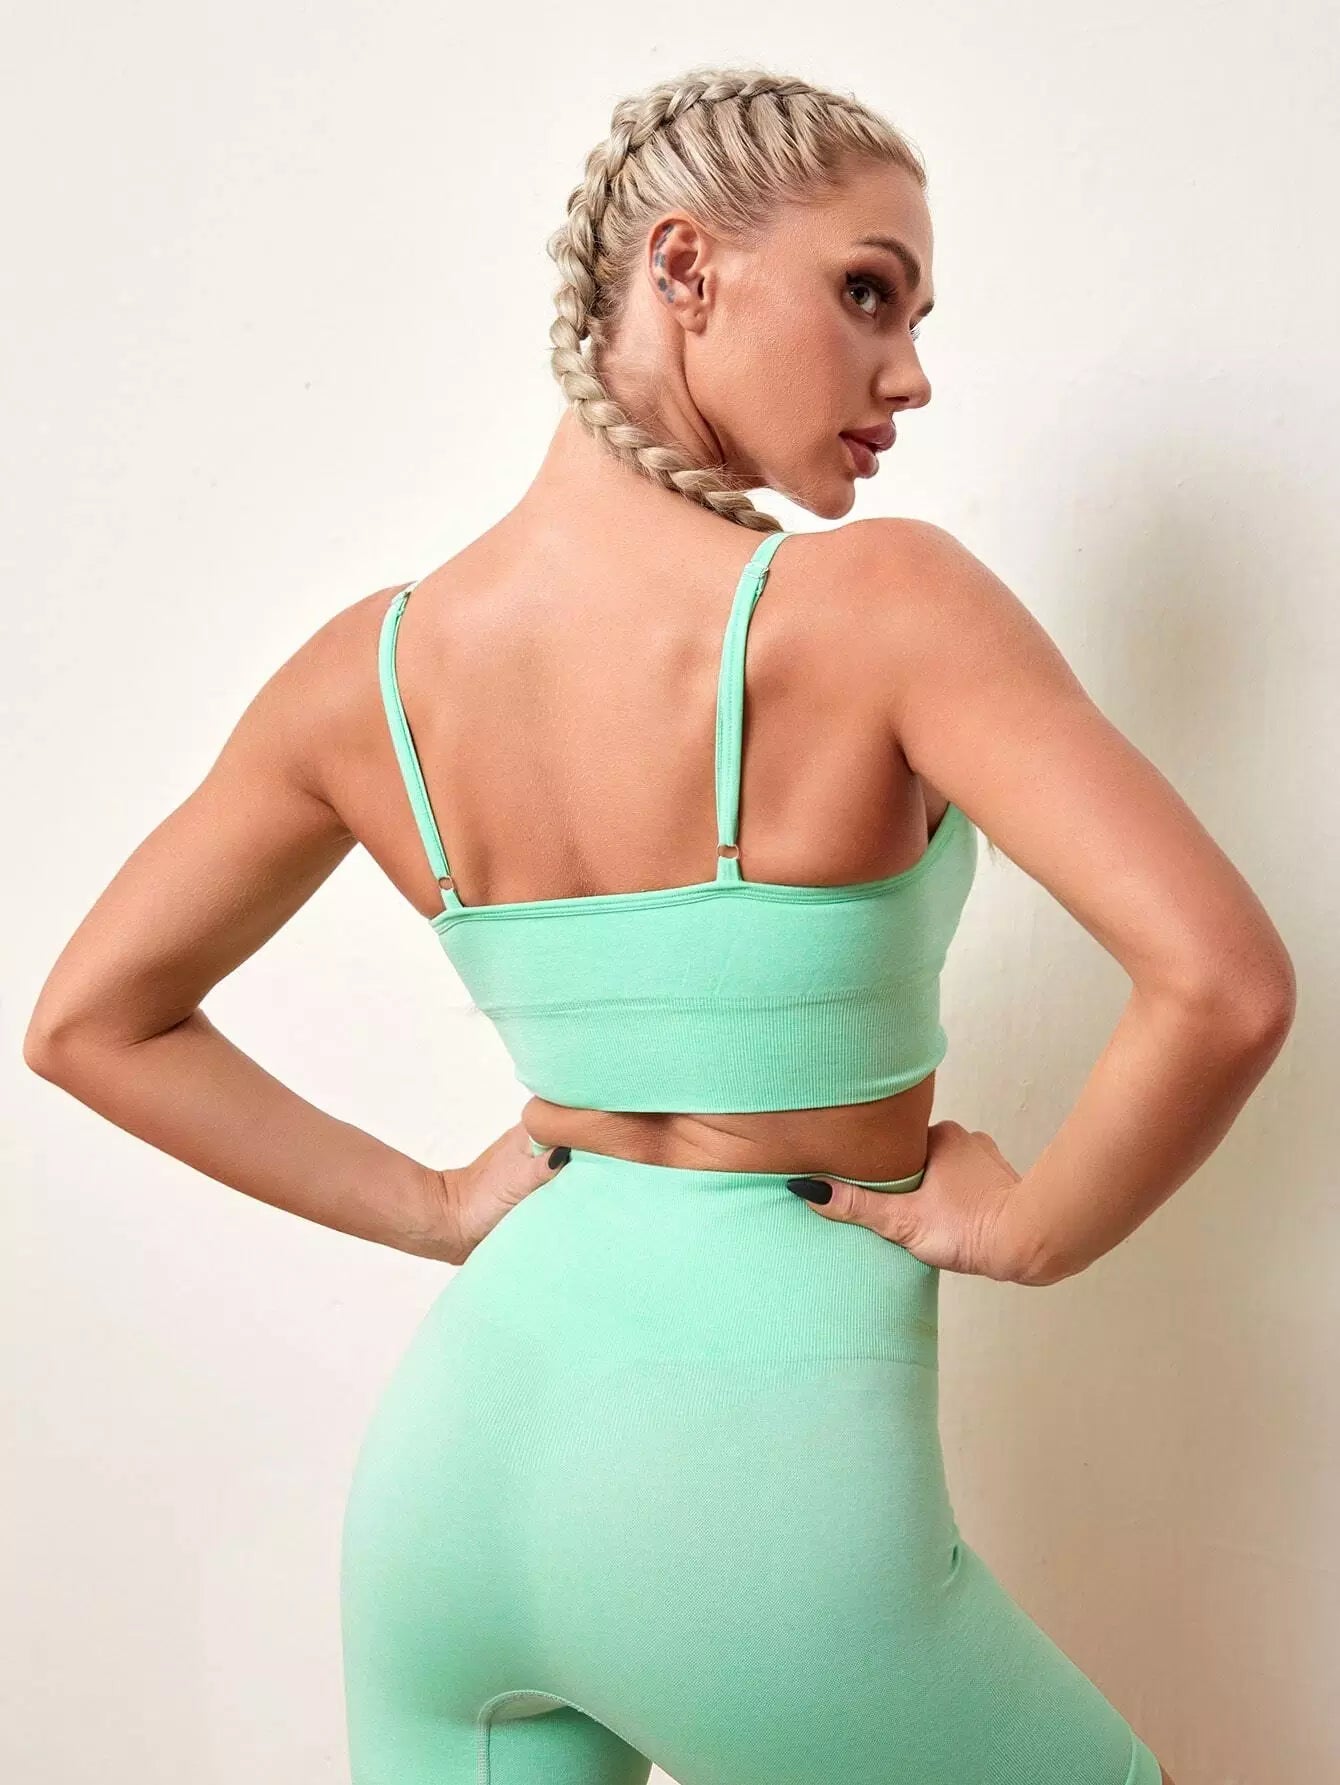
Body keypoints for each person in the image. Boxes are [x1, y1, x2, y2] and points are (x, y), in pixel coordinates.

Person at [24, 64, 1294, 1785]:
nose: (911, 372)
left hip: (453, 1490)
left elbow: (87, 1019)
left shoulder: (369, 673)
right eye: (869, 292)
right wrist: (1029, 1228)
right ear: (685, 268)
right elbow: (1222, 984)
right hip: (752, 1508)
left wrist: (437, 1207)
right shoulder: (884, 607)